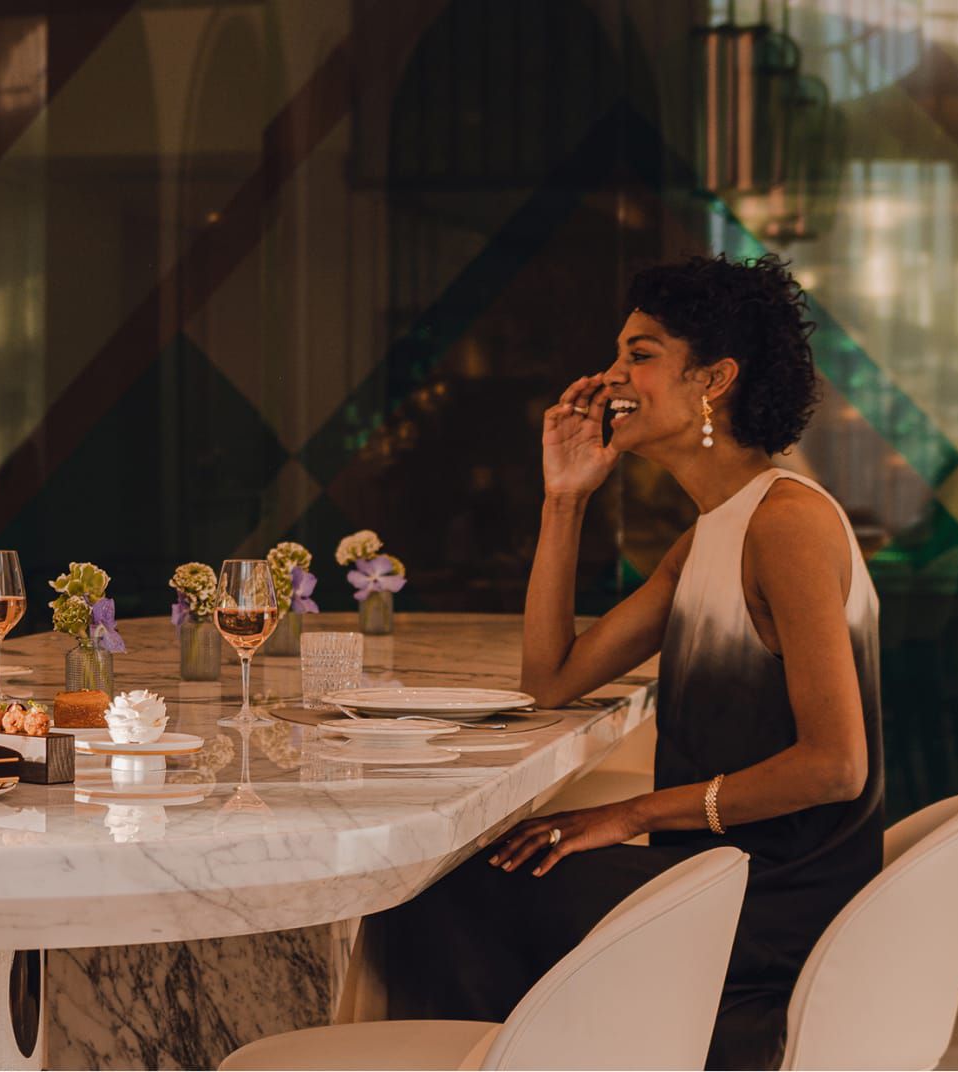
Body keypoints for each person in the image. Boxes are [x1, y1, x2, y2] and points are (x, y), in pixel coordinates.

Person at [363, 253, 883, 1069]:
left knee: (444, 896)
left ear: (714, 380)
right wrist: (565, 498)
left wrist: (630, 816)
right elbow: (551, 681)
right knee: (454, 886)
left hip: (769, 906)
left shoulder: (786, 523)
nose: (609, 377)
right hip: (718, 879)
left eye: (639, 353)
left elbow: (835, 767)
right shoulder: (713, 531)